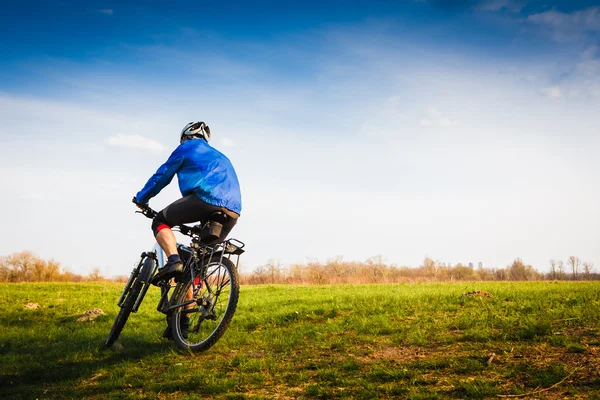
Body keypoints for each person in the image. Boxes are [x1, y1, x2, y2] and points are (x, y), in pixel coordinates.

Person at [132, 121, 242, 284]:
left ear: (185, 137)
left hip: (206, 199)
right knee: (199, 262)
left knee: (160, 221)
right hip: (233, 210)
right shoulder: (221, 156)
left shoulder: (187, 147)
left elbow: (161, 176)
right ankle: (189, 306)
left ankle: (174, 260)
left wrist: (142, 198)